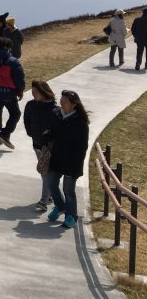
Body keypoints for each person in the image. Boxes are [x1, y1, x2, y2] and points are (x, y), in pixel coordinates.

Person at [44, 89, 90, 229]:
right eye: (61, 101)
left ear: (74, 104)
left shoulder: (80, 122)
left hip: (72, 162)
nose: (61, 104)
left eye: (65, 102)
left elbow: (82, 147)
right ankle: (60, 207)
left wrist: (76, 166)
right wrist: (46, 137)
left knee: (68, 190)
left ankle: (71, 216)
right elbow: (50, 131)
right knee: (51, 183)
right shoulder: (56, 114)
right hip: (56, 158)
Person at [23, 80, 57, 211]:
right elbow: (26, 121)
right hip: (36, 144)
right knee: (45, 171)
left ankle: (44, 200)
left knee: (45, 172)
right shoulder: (30, 105)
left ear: (43, 93)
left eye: (35, 92)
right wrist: (31, 133)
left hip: (48, 146)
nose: (33, 94)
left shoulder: (54, 109)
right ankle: (49, 197)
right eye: (32, 91)